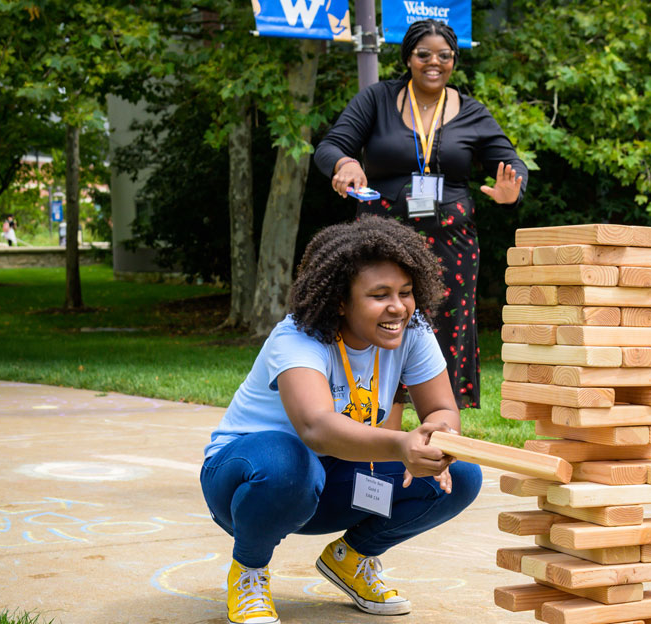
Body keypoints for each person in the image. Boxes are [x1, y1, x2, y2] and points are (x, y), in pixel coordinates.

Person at [200, 216, 482, 623]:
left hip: (331, 482)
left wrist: (439, 436)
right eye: (379, 294)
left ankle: (351, 560)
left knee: (462, 473)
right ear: (340, 301)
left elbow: (442, 410)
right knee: (289, 460)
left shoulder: (413, 331)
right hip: (248, 482)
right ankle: (249, 571)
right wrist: (401, 444)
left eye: (406, 292)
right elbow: (316, 428)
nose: (398, 307)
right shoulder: (298, 336)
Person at [314, 18, 528, 416]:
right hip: (382, 241)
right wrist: (344, 162)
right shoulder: (377, 99)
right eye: (424, 54)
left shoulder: (472, 111)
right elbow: (330, 146)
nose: (435, 63)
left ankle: (444, 444)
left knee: (447, 332)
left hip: (451, 246)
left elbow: (511, 161)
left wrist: (512, 189)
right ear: (408, 58)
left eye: (444, 56)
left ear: (454, 60)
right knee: (382, 320)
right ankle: (383, 442)